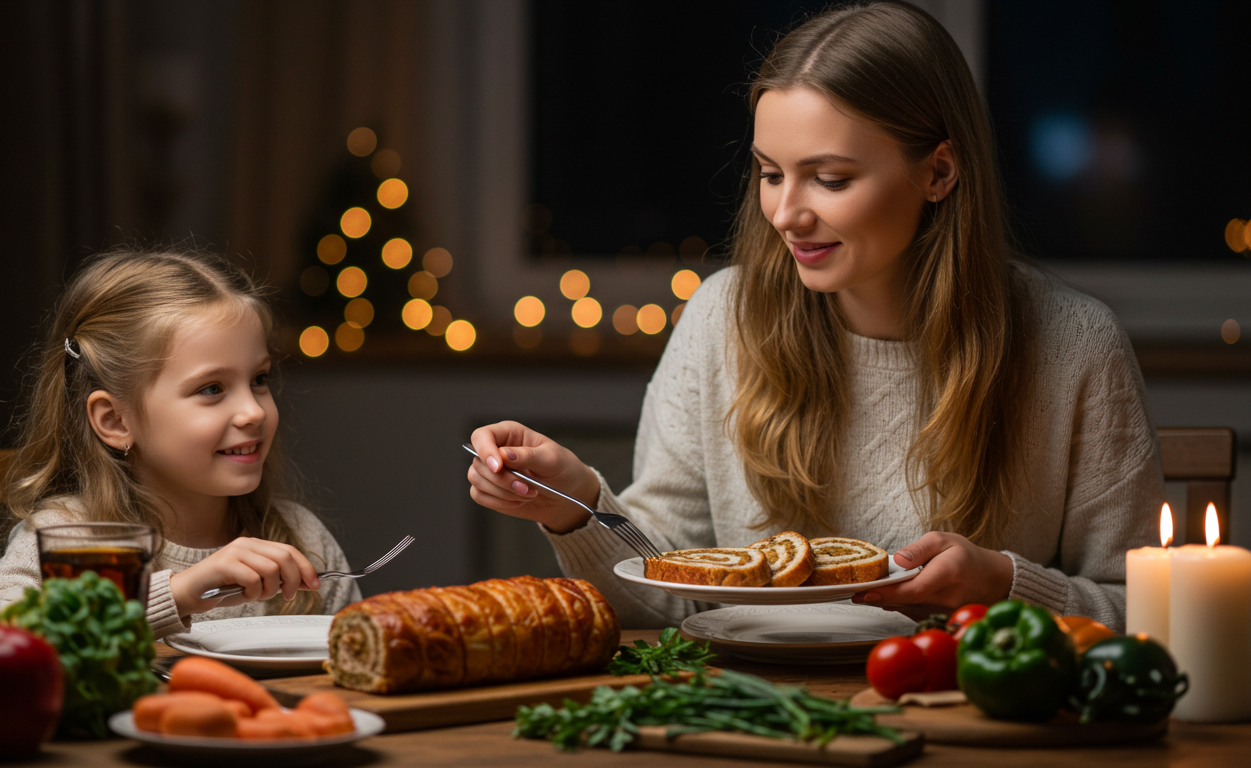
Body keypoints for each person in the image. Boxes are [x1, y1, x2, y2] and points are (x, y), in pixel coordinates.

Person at [466, 1, 1160, 631]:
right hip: (753, 714)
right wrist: (574, 501)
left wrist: (1004, 584)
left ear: (939, 173)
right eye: (771, 173)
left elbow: (1145, 611)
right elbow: (669, 596)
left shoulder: (1074, 344)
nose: (787, 214)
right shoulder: (722, 319)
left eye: (830, 178)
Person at [0, 249, 360, 637]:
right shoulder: (71, 540)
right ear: (115, 421)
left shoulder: (301, 537)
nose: (253, 411)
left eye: (259, 380)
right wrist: (175, 594)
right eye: (212, 388)